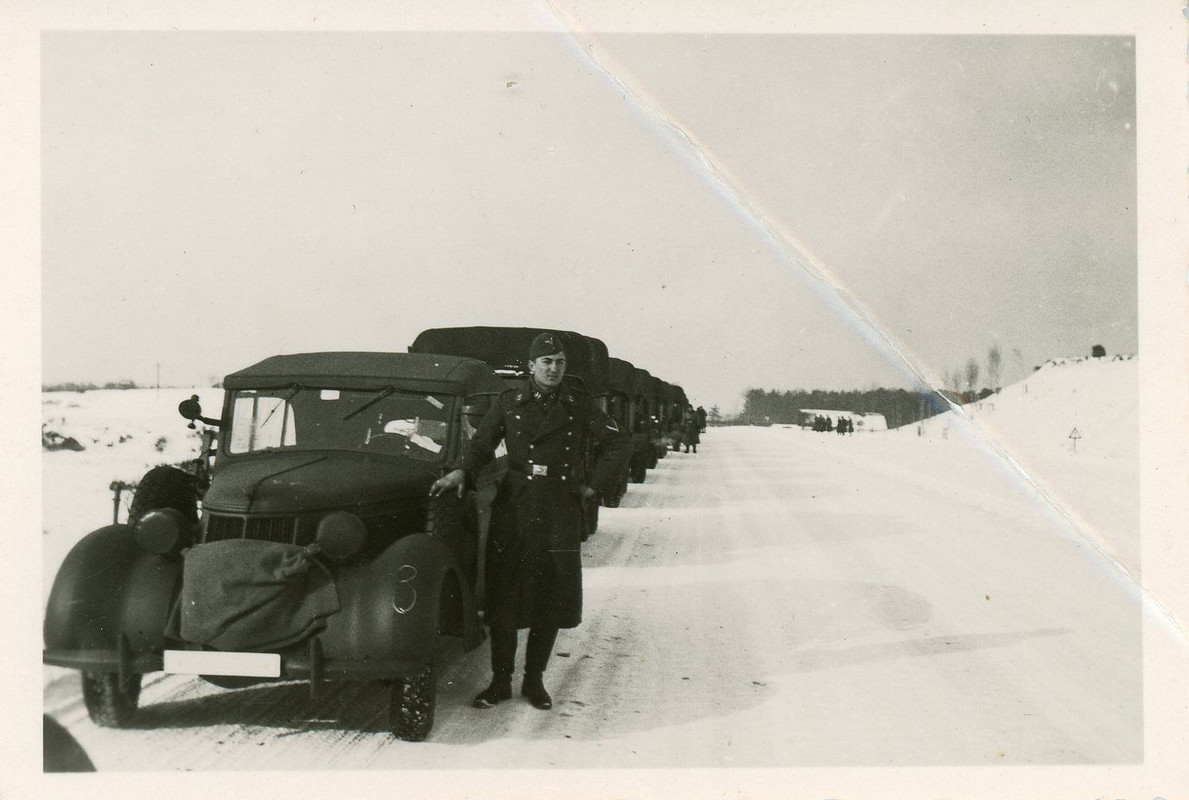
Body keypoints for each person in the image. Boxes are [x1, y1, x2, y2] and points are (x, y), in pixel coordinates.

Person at [430, 332, 630, 711]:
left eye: (560, 363)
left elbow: (619, 443)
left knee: (551, 597)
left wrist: (593, 488)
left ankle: (534, 681)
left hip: (560, 506)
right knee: (505, 594)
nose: (554, 369)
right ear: (531, 366)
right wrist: (460, 473)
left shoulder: (579, 404)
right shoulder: (509, 402)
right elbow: (481, 444)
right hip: (515, 506)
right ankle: (501, 681)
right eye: (547, 362)